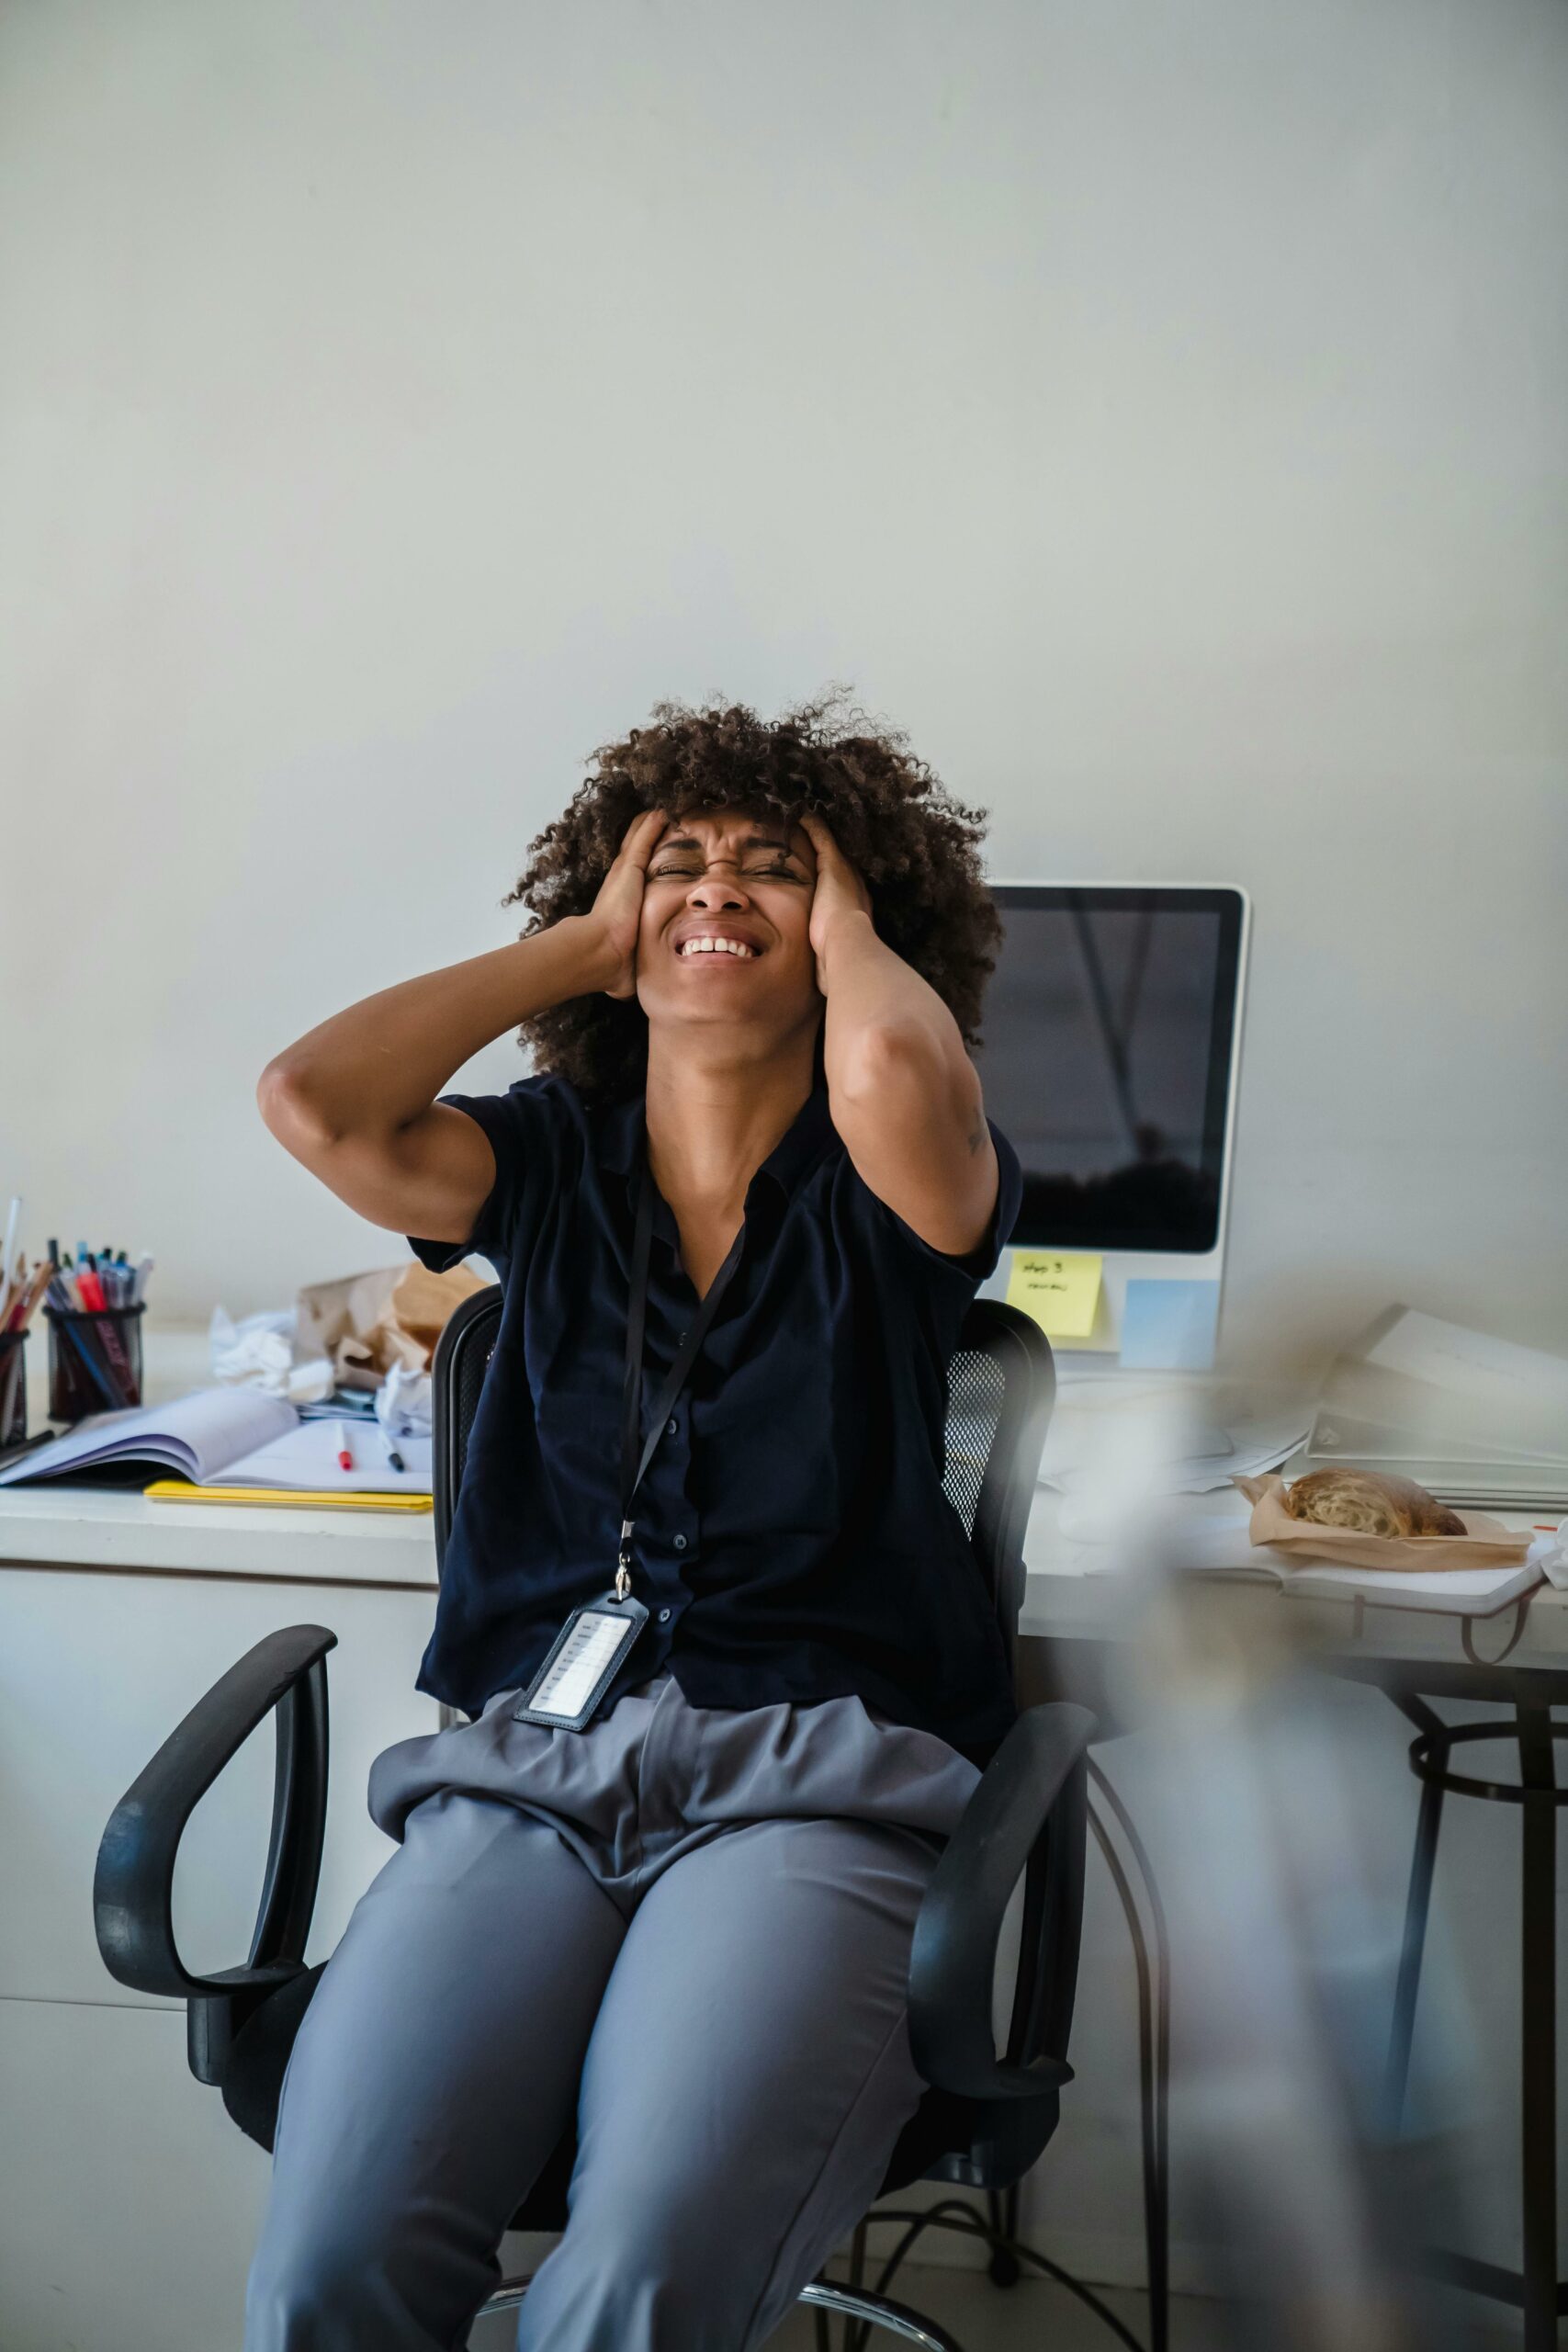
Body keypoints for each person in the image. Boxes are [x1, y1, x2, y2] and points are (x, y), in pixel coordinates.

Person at [243, 689, 1024, 2350]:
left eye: (773, 865)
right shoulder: (539, 1165)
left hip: (809, 1790)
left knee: (630, 2296)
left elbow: (888, 1055)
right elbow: (315, 1099)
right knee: (327, 2274)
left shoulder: (893, 1174)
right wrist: (589, 937)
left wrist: (849, 923)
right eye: (683, 861)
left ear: (851, 916)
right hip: (531, 1779)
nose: (716, 891)